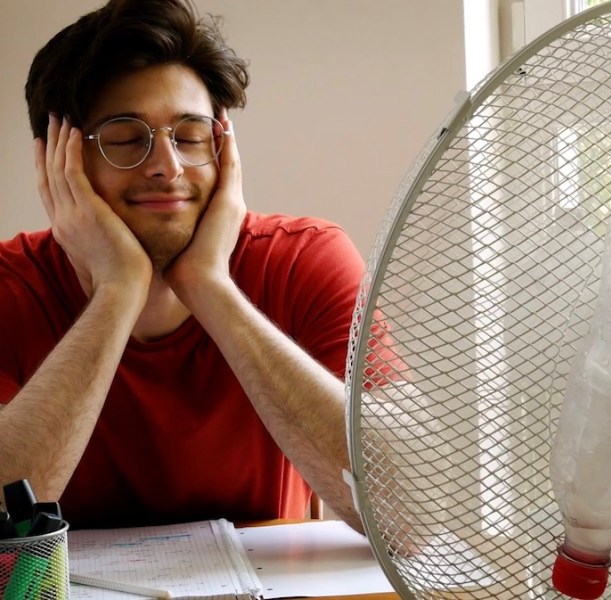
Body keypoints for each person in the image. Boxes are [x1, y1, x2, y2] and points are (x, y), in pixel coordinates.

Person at [0, 0, 365, 531]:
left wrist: (210, 286)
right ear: (58, 160)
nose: (167, 167)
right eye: (126, 139)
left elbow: (408, 516)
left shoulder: (304, 260)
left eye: (191, 137)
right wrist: (117, 291)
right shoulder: (10, 287)